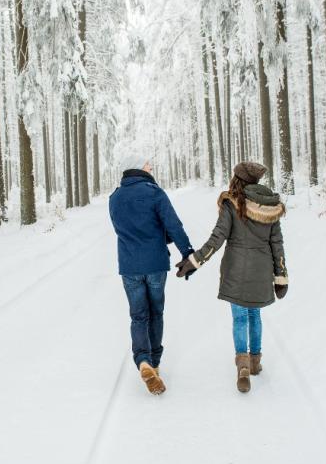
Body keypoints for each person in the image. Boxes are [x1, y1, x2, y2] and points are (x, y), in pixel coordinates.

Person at [176, 161, 289, 393]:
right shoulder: (270, 206)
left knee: (240, 318)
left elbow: (216, 238)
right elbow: (277, 245)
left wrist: (194, 261)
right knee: (255, 315)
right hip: (261, 271)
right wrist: (281, 276)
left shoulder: (232, 204)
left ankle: (243, 366)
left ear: (237, 180)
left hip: (236, 270)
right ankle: (256, 362)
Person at [109, 153, 194, 395]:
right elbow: (174, 225)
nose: (150, 166)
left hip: (129, 267)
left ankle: (143, 360)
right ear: (138, 167)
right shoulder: (154, 192)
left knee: (138, 317)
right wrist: (187, 253)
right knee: (156, 313)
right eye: (147, 163)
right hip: (155, 264)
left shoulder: (114, 198)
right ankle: (154, 363)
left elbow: (120, 229)